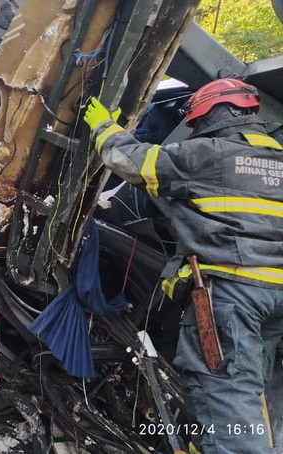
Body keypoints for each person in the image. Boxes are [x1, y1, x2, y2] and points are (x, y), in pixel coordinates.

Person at [84, 78, 283, 452]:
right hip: (276, 300)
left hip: (233, 293)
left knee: (227, 391)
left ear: (208, 114)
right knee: (248, 384)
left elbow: (137, 163)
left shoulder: (208, 154)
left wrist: (104, 129)